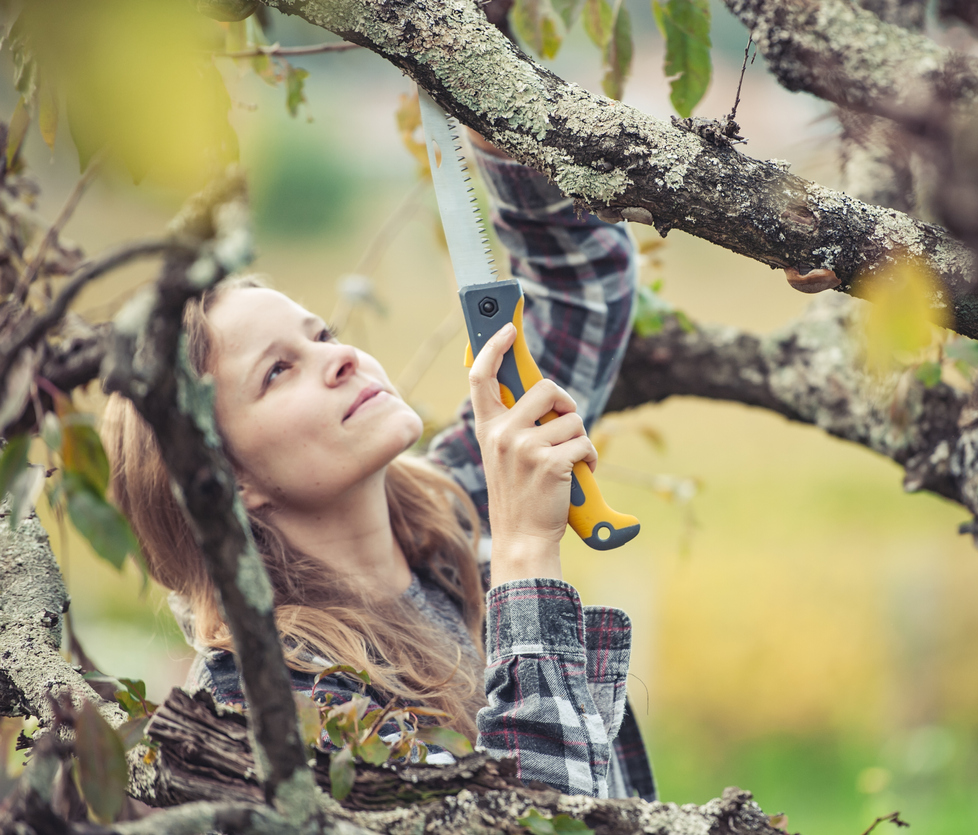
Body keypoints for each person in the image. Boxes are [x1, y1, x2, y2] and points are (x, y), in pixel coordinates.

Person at [99, 139, 654, 801]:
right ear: (222, 481)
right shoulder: (266, 711)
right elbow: (538, 820)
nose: (339, 359)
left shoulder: (449, 514)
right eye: (277, 371)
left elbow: (581, 291)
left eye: (323, 334)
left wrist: (490, 113)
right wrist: (525, 553)